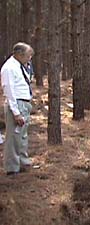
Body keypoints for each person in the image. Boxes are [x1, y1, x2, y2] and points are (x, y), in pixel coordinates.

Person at [1, 42, 34, 175]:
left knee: (22, 135)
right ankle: (12, 167)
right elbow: (9, 91)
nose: (29, 58)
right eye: (28, 55)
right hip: (17, 105)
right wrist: (16, 113)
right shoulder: (9, 68)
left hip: (24, 103)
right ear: (19, 54)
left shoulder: (20, 66)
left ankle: (23, 162)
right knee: (13, 137)